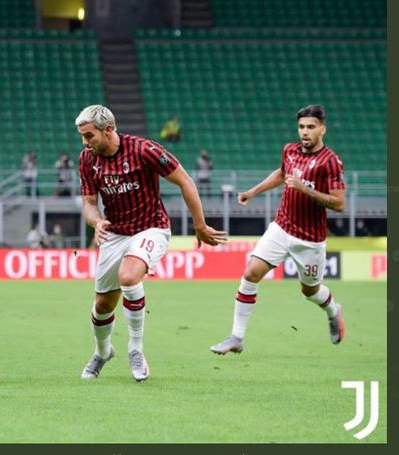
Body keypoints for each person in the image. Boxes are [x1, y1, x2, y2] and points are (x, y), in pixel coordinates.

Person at [75, 105, 227, 381]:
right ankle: (102, 352)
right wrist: (96, 222)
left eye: (89, 136)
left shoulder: (144, 150)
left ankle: (135, 349)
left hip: (151, 227)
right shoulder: (87, 159)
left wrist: (200, 224)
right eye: (82, 137)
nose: (85, 143)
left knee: (129, 276)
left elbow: (185, 180)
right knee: (102, 306)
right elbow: (88, 203)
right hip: (115, 233)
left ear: (108, 130)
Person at [210, 104, 346, 355]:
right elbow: (282, 174)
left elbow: (339, 203)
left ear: (322, 130)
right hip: (281, 227)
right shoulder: (290, 150)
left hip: (310, 240)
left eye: (311, 127)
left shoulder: (330, 162)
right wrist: (253, 191)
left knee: (310, 291)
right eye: (302, 127)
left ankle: (332, 310)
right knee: (251, 273)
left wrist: (305, 189)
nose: (304, 132)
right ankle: (236, 337)